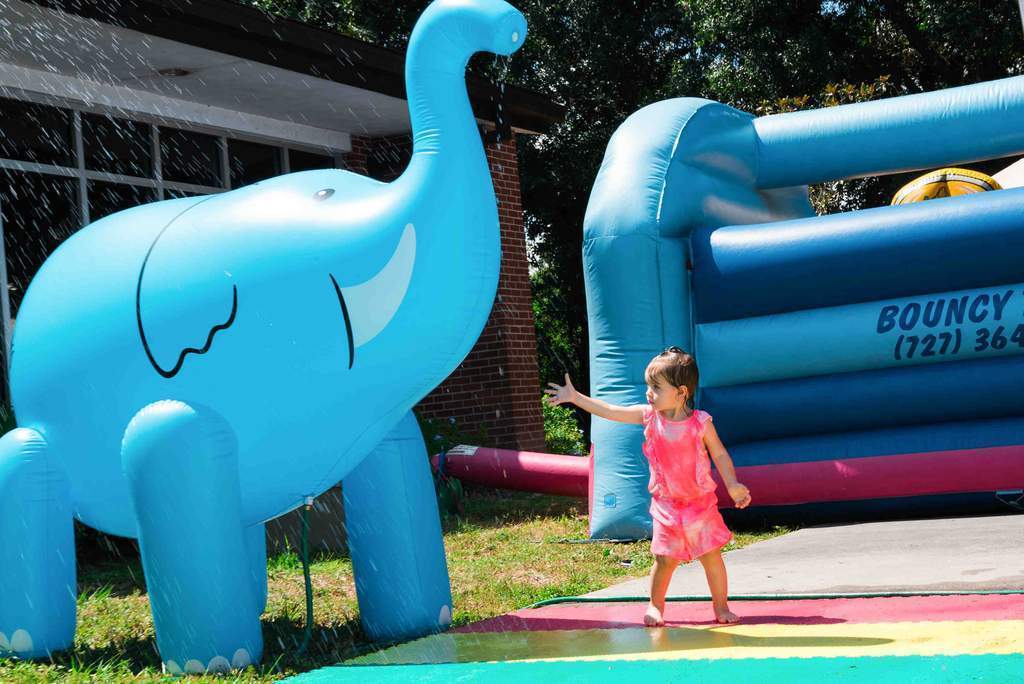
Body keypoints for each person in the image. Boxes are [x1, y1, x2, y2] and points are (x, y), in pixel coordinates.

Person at [544, 346, 751, 625]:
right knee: (664, 560)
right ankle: (655, 606)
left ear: (681, 392)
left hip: (699, 505)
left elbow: (720, 454)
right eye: (648, 386)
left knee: (711, 557)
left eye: (656, 387)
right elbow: (611, 410)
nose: (649, 393)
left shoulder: (700, 423)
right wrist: (575, 397)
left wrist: (733, 483)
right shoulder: (648, 417)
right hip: (667, 506)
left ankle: (721, 607)